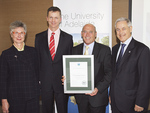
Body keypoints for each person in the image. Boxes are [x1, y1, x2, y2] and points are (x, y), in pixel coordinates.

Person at [35, 6, 73, 113]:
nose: (53, 20)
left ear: (60, 19)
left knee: (62, 110)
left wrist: (68, 79)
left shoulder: (68, 38)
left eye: (56, 18)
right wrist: (38, 80)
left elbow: (69, 60)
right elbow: (37, 60)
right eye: (51, 17)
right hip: (45, 82)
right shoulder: (38, 37)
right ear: (47, 18)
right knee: (46, 110)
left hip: (61, 82)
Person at [109, 17, 150, 113]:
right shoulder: (114, 49)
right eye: (118, 29)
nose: (120, 32)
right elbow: (114, 75)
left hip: (132, 103)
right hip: (115, 102)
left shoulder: (142, 49)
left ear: (130, 29)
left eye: (124, 28)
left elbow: (145, 79)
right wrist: (111, 94)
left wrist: (141, 102)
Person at [0, 21, 40, 113]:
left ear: (25, 34)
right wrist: (4, 100)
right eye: (16, 33)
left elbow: (38, 73)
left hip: (32, 97)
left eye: (21, 33)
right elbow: (2, 80)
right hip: (15, 99)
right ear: (11, 34)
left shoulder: (33, 52)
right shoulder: (6, 55)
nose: (19, 36)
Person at [71, 24, 112, 113]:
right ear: (81, 34)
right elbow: (72, 71)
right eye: (85, 31)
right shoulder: (74, 50)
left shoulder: (105, 50)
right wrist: (68, 78)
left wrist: (97, 88)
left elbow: (109, 73)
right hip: (81, 99)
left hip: (98, 98)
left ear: (95, 34)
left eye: (91, 32)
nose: (87, 34)